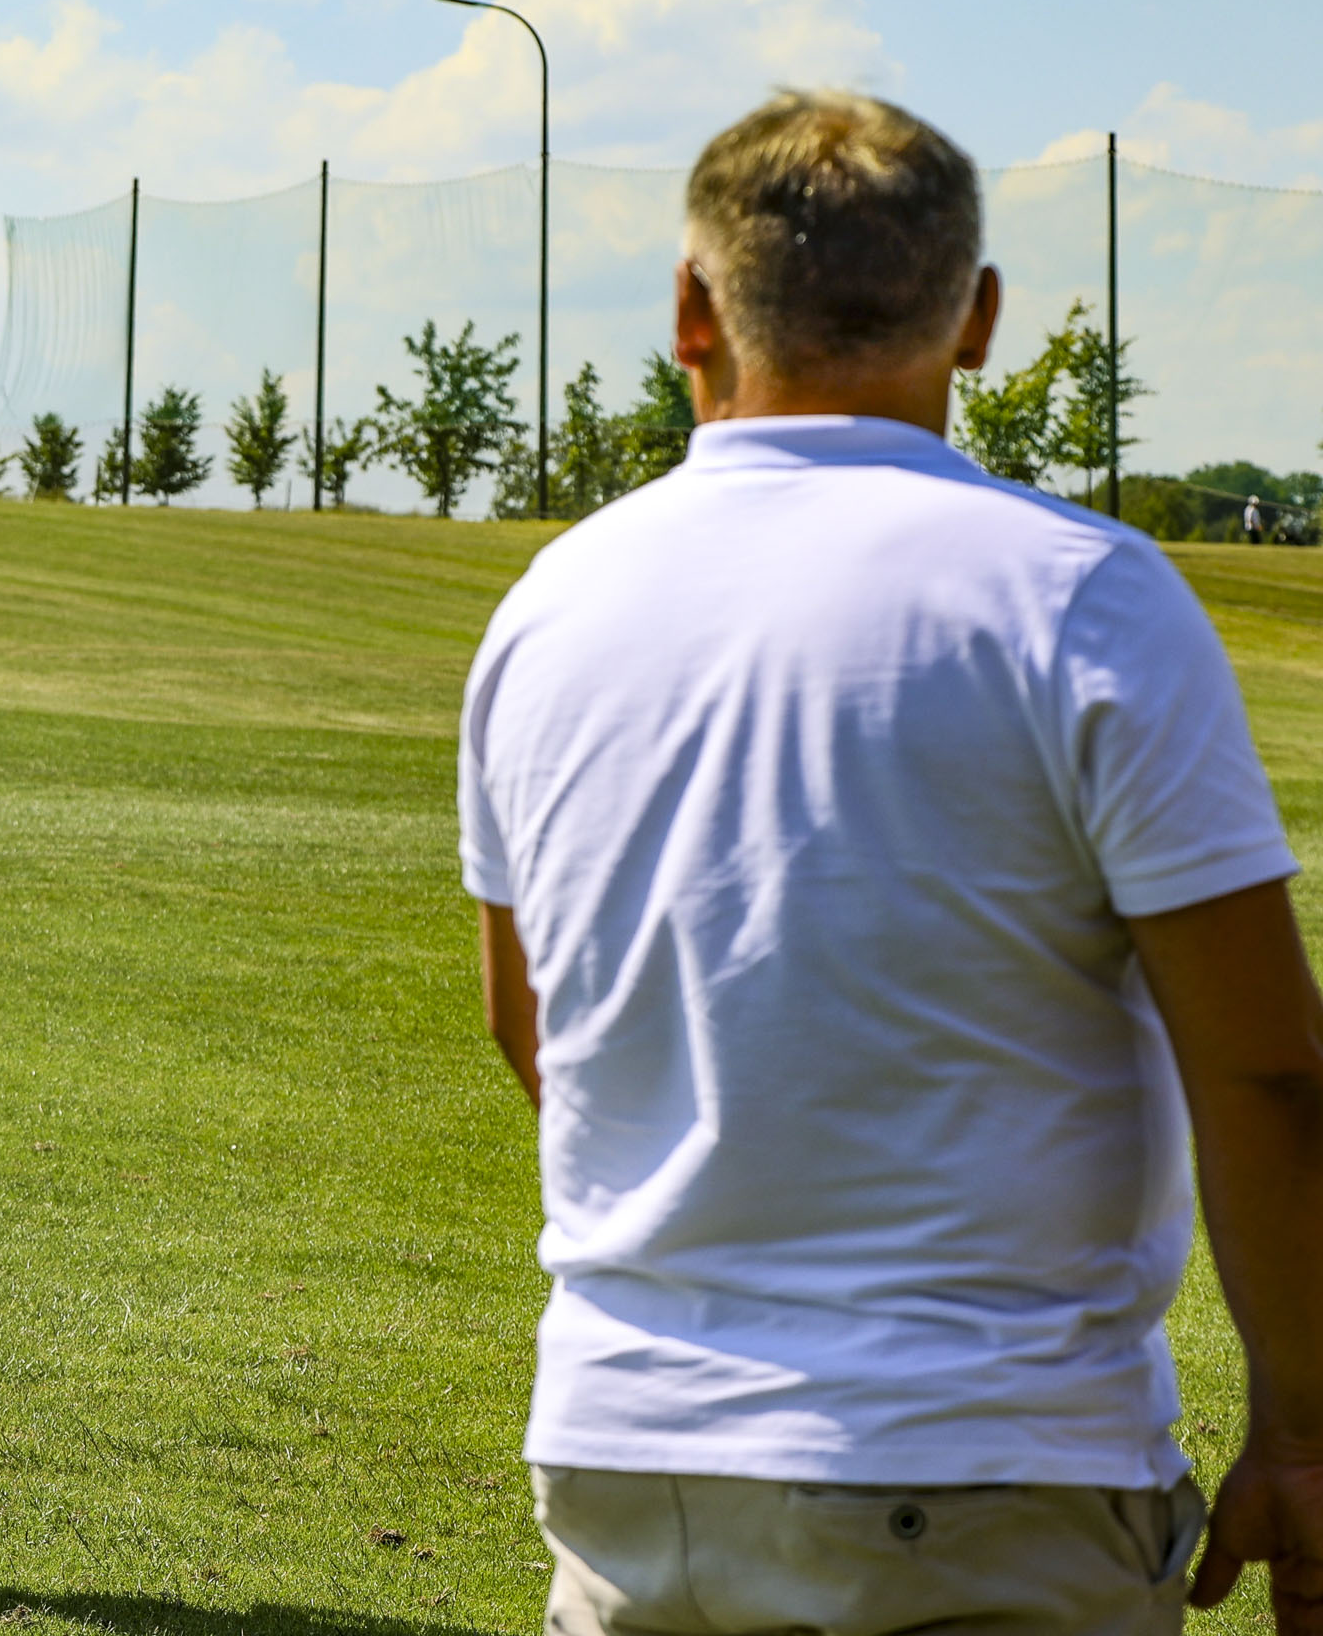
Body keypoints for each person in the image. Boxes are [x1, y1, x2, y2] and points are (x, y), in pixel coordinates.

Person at [460, 91, 1323, 1633]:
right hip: (997, 1465)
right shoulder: (1086, 598)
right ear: (980, 318)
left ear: (688, 310)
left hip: (632, 1465)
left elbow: (534, 1032)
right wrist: (1309, 1437)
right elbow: (1264, 1070)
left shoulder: (550, 607)